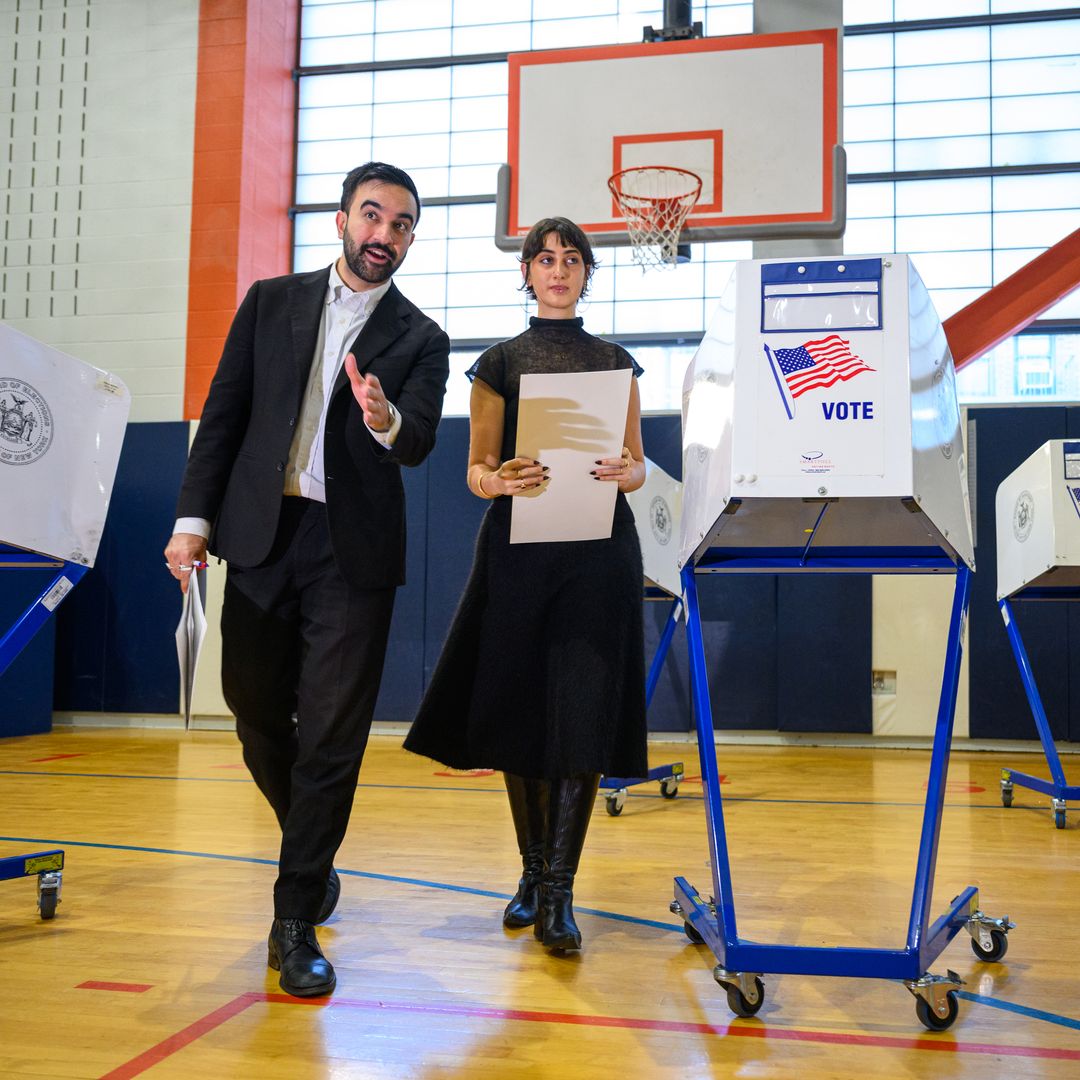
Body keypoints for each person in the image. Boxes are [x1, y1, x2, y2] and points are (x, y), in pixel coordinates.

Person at [164, 162, 449, 998]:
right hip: (259, 532)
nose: (384, 235)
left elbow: (420, 438)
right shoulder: (271, 301)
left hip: (351, 551)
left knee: (331, 732)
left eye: (400, 225)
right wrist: (192, 521)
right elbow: (223, 415)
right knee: (255, 712)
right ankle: (311, 846)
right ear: (340, 220)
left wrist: (383, 417)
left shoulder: (421, 337)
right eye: (373, 216)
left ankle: (292, 923)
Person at [404, 216, 648, 953]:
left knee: (582, 715)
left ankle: (559, 895)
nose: (558, 269)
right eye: (545, 258)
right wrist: (497, 479)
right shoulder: (499, 362)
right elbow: (477, 470)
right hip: (518, 550)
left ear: (587, 274)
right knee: (520, 715)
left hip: (600, 551)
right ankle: (533, 870)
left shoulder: (614, 361)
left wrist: (626, 472)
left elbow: (637, 463)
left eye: (572, 259)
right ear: (527, 273)